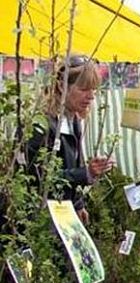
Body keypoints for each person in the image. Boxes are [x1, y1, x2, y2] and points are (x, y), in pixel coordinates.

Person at [26, 55, 114, 224]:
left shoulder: (73, 121)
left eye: (93, 90)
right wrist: (85, 173)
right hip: (40, 217)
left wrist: (78, 204)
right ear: (61, 86)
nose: (91, 96)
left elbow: (75, 164)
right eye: (83, 89)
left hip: (63, 212)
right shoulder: (41, 125)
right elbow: (38, 178)